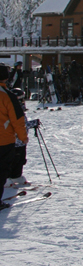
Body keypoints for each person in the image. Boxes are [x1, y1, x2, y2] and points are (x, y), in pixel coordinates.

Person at [1, 65, 28, 204]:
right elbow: (17, 119)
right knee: (3, 168)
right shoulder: (8, 96)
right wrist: (23, 137)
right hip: (4, 139)